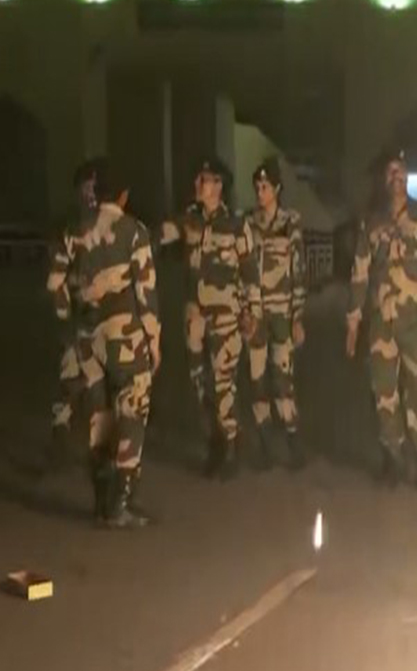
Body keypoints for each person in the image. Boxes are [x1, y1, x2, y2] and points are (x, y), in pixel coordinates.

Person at [46, 162, 161, 527]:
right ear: (123, 195)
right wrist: (154, 339)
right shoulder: (133, 231)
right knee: (132, 412)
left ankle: (100, 499)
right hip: (124, 335)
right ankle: (120, 504)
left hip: (87, 337)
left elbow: (54, 285)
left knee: (99, 415)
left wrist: (70, 320)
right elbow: (146, 292)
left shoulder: (74, 230)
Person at [346, 148, 417, 490]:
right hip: (380, 325)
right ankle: (393, 457)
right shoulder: (372, 221)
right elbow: (359, 272)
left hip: (415, 322)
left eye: (402, 171)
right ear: (383, 178)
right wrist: (353, 321)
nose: (397, 177)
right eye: (391, 172)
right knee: (384, 393)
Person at [160, 155, 261, 479]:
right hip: (194, 316)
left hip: (226, 316)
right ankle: (215, 440)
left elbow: (249, 272)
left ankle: (230, 444)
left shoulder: (236, 225)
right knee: (198, 383)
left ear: (218, 186)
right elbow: (157, 235)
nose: (197, 185)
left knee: (222, 383)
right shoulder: (188, 219)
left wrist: (251, 312)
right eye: (198, 179)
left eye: (203, 180)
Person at [245, 157, 308, 469]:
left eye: (265, 187)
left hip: (282, 312)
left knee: (282, 380)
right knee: (257, 380)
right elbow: (244, 271)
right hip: (256, 314)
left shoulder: (289, 222)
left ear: (277, 189)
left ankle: (295, 444)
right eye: (257, 187)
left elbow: (298, 272)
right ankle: (267, 447)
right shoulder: (249, 224)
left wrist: (298, 316)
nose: (260, 192)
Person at [49, 158, 106, 461]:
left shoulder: (115, 228)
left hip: (109, 322)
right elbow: (55, 282)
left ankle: (104, 455)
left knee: (105, 388)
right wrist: (64, 319)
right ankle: (60, 439)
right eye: (85, 188)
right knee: (69, 379)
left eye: (94, 188)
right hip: (79, 319)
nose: (90, 194)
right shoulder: (70, 231)